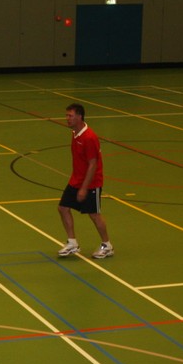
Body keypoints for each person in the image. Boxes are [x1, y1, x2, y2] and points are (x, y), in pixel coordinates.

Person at [57, 103, 113, 259]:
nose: (67, 118)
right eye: (67, 115)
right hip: (76, 180)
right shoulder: (75, 133)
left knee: (94, 214)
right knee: (63, 208)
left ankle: (107, 245)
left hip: (91, 183)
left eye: (70, 116)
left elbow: (93, 164)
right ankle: (72, 243)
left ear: (79, 117)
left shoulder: (89, 137)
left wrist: (84, 188)